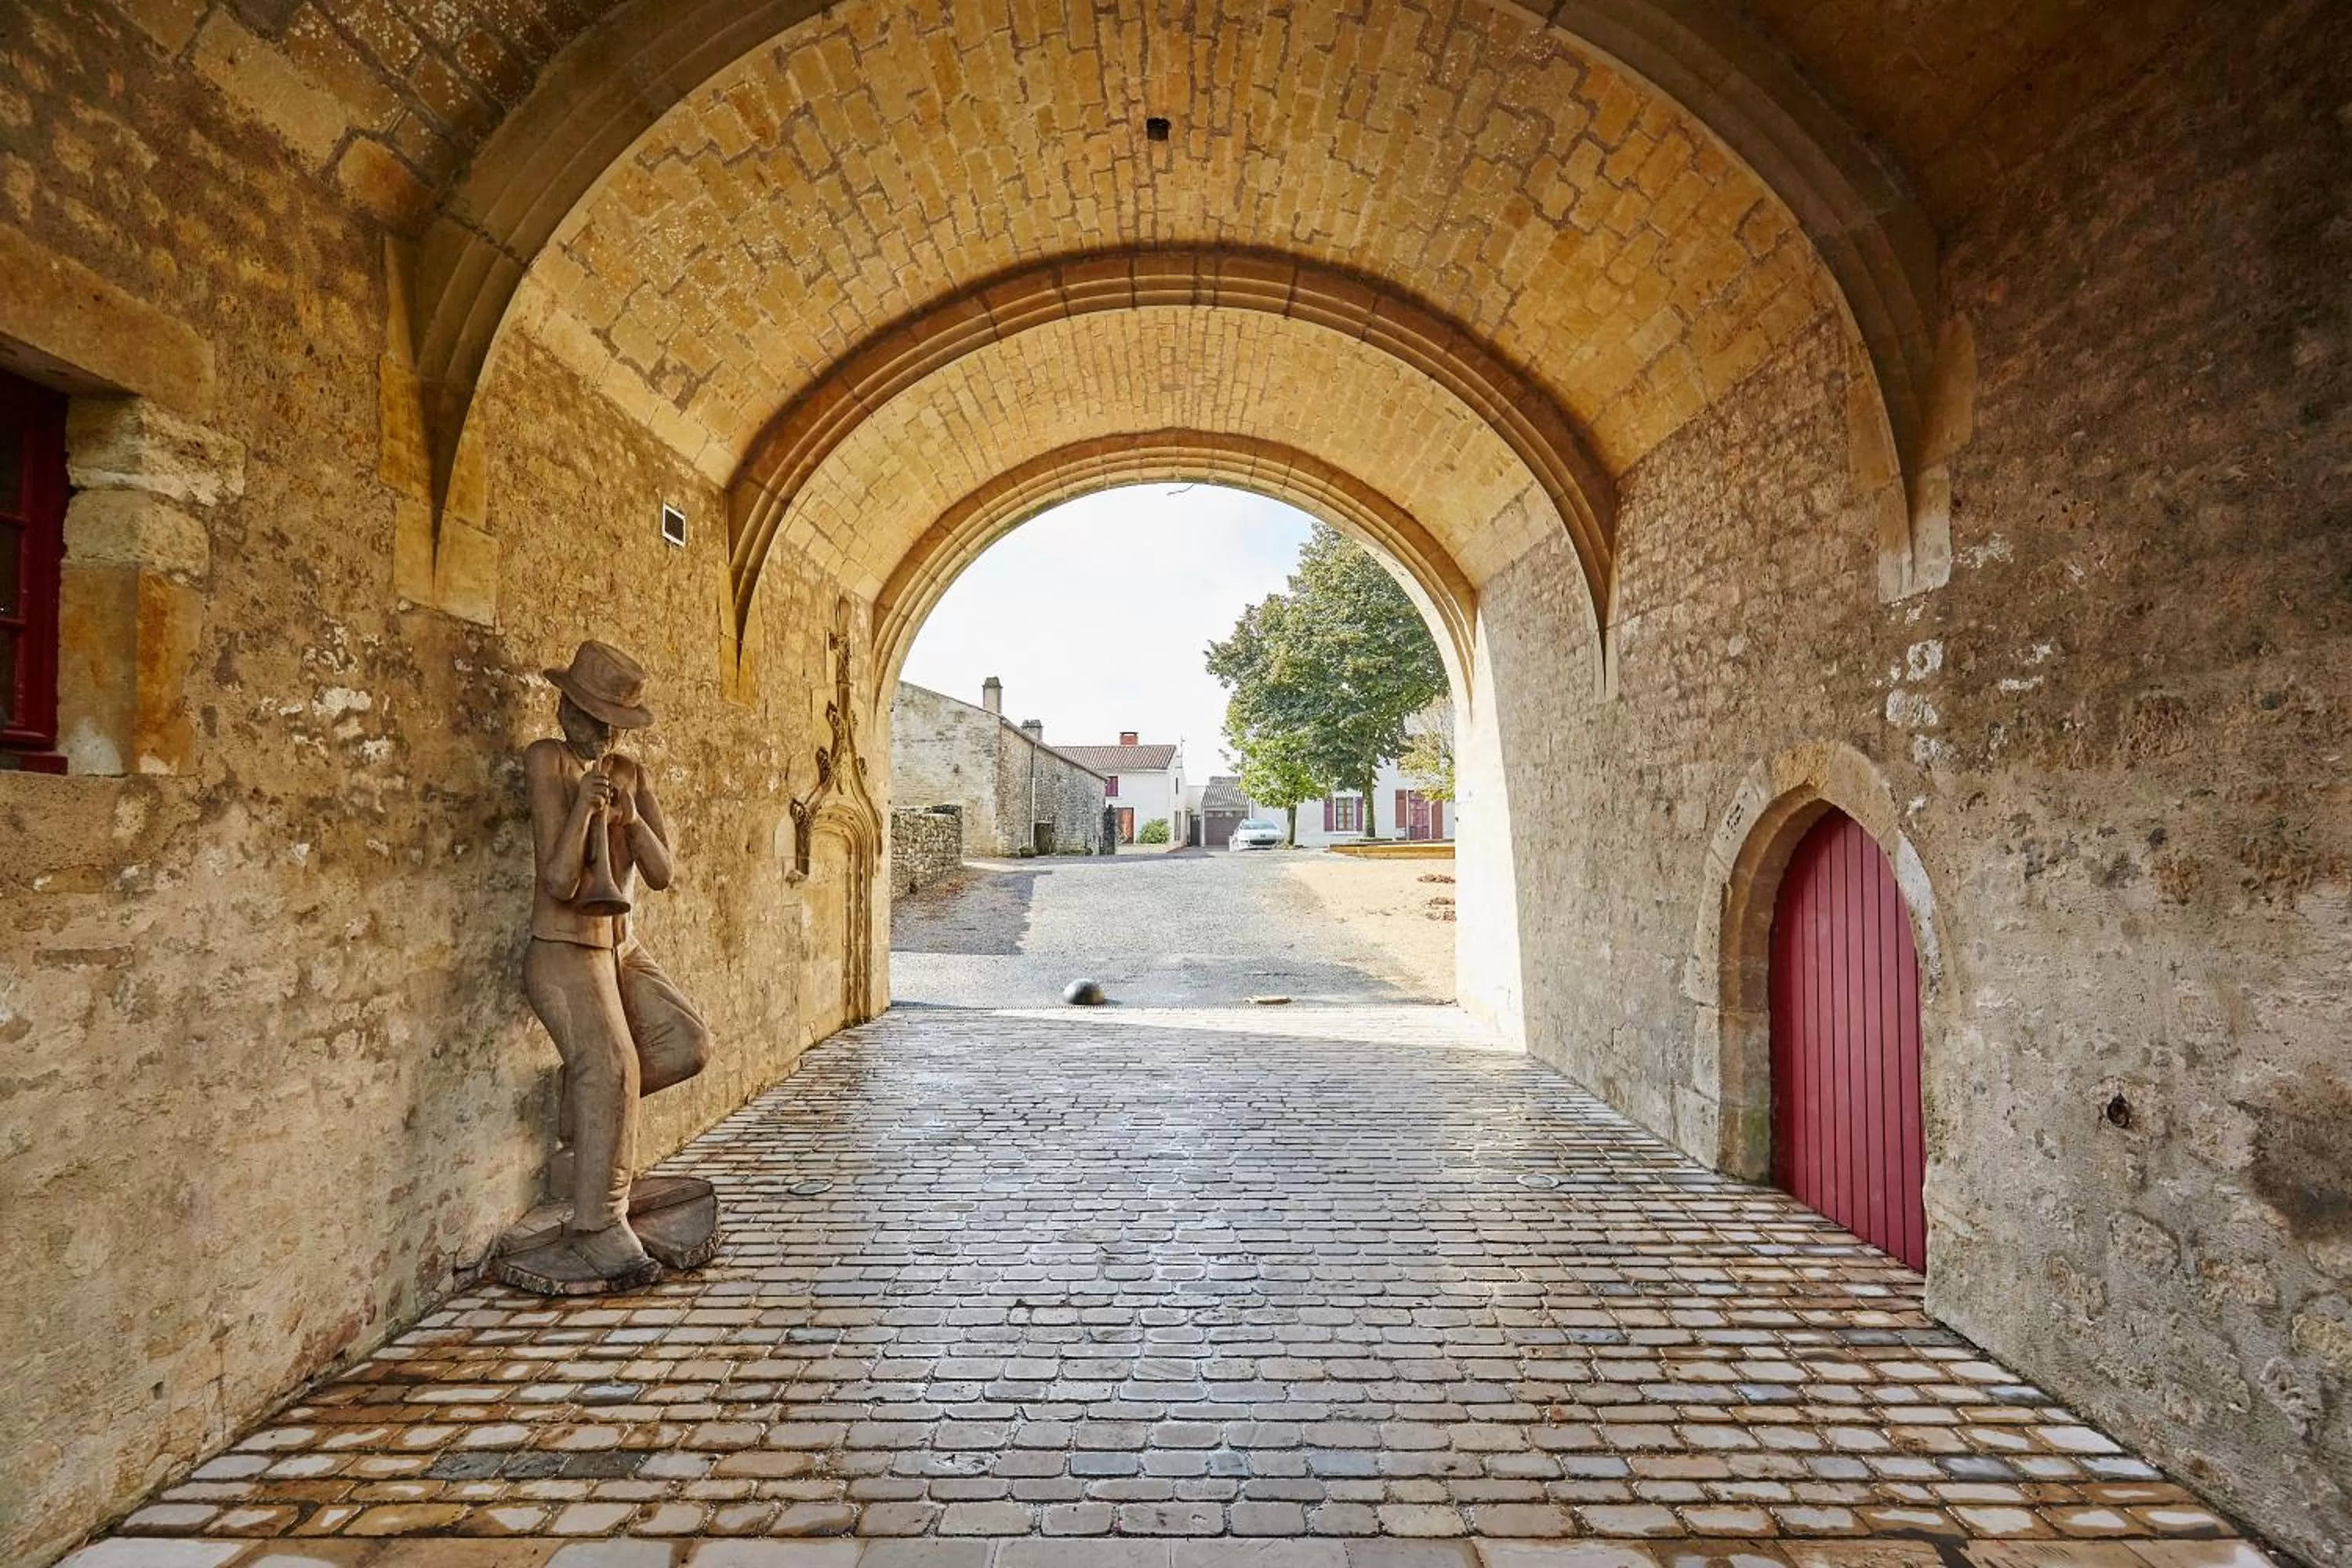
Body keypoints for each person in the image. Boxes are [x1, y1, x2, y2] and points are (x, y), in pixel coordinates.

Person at [511, 639, 712, 1291]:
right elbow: (559, 877)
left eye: (612, 724)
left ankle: (583, 1117)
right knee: (615, 1067)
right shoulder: (546, 761)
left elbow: (660, 873)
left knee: (686, 1044)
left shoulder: (629, 772)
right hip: (567, 945)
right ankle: (598, 1223)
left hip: (620, 942)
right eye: (593, 718)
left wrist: (630, 817)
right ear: (566, 704)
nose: (601, 735)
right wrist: (581, 810)